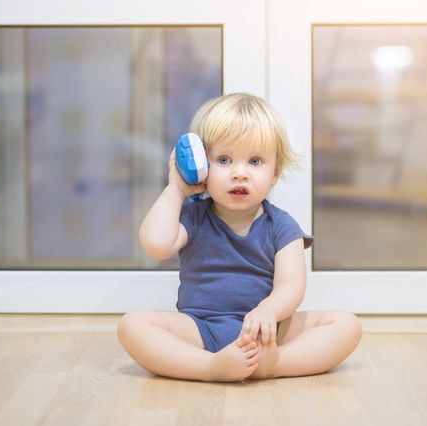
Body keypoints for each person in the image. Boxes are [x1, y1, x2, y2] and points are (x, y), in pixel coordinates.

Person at [118, 93, 362, 382]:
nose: (240, 173)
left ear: (275, 173)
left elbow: (292, 285)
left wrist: (267, 312)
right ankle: (209, 366)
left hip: (267, 329)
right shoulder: (194, 216)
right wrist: (176, 188)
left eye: (255, 161)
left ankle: (276, 364)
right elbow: (156, 245)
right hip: (200, 327)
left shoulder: (282, 225)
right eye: (224, 160)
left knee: (346, 325)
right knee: (132, 325)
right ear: (201, 166)